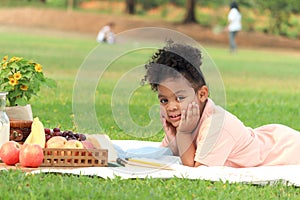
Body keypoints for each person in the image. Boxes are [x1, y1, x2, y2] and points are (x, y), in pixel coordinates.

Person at [143, 41, 300, 168]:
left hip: (286, 149)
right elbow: (170, 155)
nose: (171, 107)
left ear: (202, 94)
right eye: (164, 100)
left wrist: (183, 134)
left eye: (180, 97)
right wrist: (175, 140)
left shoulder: (217, 125)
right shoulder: (184, 120)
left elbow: (194, 168)